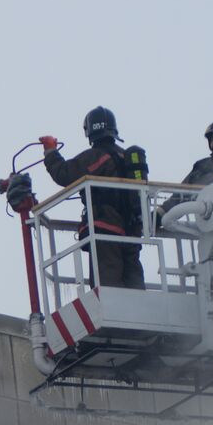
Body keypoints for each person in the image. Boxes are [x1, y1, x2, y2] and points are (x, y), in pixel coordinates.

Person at [39, 107, 145, 289]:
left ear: (89, 131)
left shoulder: (96, 156)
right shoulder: (125, 156)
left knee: (107, 287)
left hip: (106, 229)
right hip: (131, 230)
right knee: (134, 283)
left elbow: (63, 174)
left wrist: (50, 151)